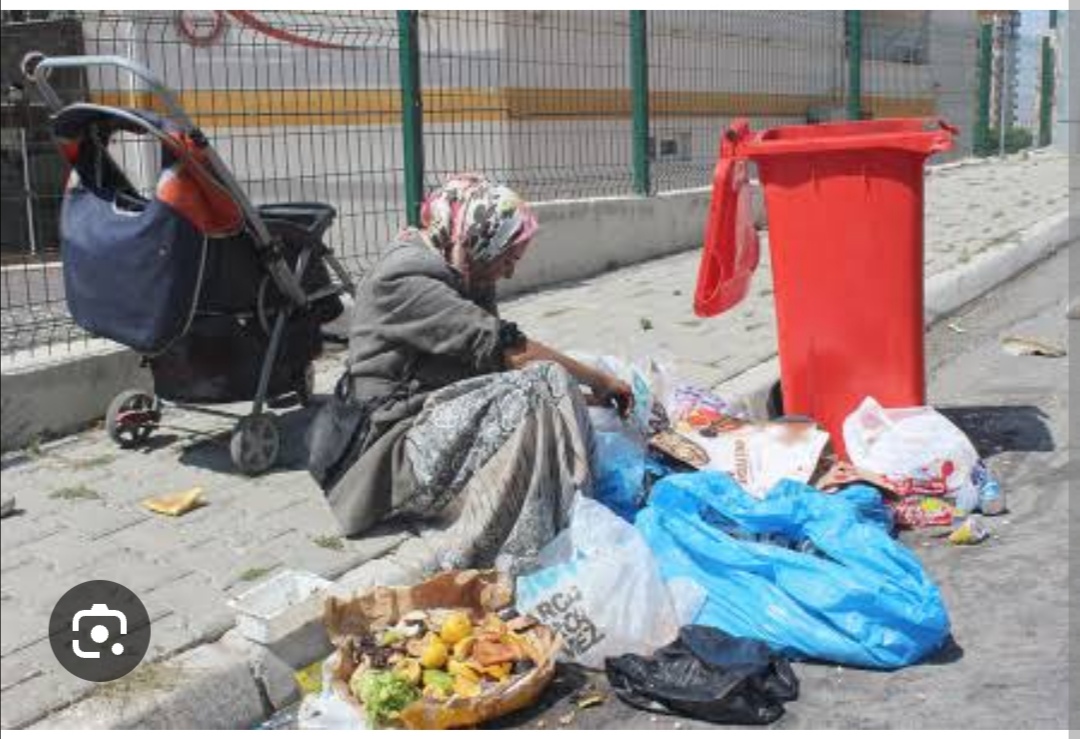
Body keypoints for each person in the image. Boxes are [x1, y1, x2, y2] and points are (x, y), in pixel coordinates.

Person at [313, 174, 633, 573]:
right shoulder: (404, 280)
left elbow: (493, 371)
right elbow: (511, 351)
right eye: (507, 258)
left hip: (427, 424)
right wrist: (600, 381)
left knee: (547, 387)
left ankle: (575, 518)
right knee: (544, 381)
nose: (509, 272)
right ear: (480, 241)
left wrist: (583, 401)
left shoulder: (459, 270)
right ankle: (521, 555)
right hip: (390, 452)